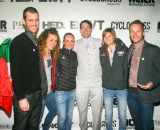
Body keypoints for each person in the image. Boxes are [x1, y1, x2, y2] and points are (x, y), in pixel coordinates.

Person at [10, 7, 42, 130]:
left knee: (33, 127)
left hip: (37, 95)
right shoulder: (18, 42)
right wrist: (21, 98)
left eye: (36, 20)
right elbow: (15, 72)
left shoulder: (36, 41)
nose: (34, 23)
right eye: (30, 20)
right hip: (25, 96)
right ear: (23, 22)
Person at [127, 19, 160, 130]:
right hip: (130, 93)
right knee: (137, 124)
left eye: (138, 31)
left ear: (143, 33)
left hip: (145, 94)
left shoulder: (153, 49)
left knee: (147, 125)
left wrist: (152, 83)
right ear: (129, 33)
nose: (135, 34)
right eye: (132, 31)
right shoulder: (130, 48)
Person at [75, 20, 103, 130]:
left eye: (88, 27)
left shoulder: (100, 42)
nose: (85, 29)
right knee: (82, 111)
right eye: (83, 27)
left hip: (97, 83)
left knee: (97, 111)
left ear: (91, 29)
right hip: (81, 83)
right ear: (80, 30)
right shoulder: (75, 43)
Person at [99, 28, 128, 130]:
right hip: (107, 88)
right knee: (108, 115)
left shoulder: (124, 49)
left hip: (122, 89)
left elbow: (127, 67)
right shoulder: (101, 50)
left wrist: (124, 81)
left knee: (122, 116)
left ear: (114, 36)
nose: (107, 38)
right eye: (105, 36)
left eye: (109, 35)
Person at [37, 27, 60, 130]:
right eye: (51, 40)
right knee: (37, 118)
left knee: (55, 110)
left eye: (55, 40)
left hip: (50, 91)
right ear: (44, 39)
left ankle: (45, 128)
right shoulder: (37, 53)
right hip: (40, 93)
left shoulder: (52, 53)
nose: (54, 43)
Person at [55, 33, 78, 130]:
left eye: (72, 41)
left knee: (69, 116)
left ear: (74, 43)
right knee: (62, 117)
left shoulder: (75, 54)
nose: (69, 43)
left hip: (72, 91)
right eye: (67, 41)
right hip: (60, 91)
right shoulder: (58, 53)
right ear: (63, 42)